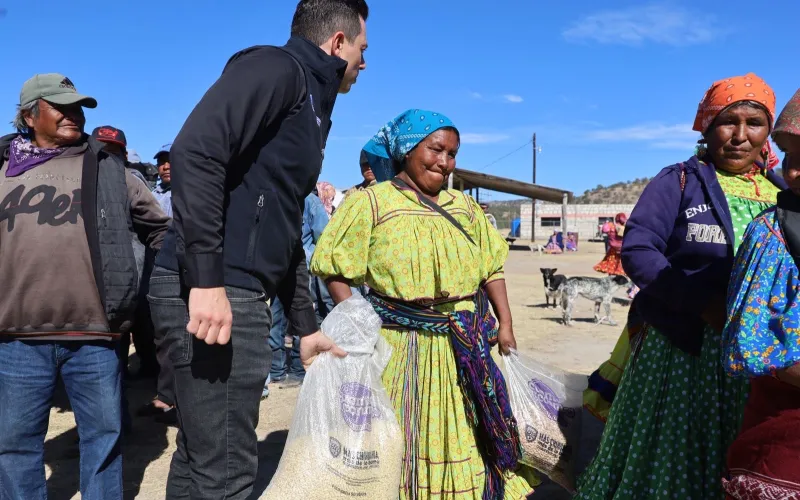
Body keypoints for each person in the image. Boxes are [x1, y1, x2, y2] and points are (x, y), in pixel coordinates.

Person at [147, 1, 369, 497]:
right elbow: (196, 150)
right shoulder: (276, 68)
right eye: (361, 48)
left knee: (203, 453)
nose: (364, 62)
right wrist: (206, 279)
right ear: (337, 43)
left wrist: (305, 328)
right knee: (225, 467)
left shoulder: (314, 105)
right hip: (216, 288)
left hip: (237, 286)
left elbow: (284, 222)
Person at [576, 73, 784, 500]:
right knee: (674, 454)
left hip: (756, 358)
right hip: (685, 350)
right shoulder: (680, 182)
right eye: (728, 121)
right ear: (706, 126)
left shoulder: (781, 192)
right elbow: (638, 249)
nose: (740, 136)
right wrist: (700, 304)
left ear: (768, 132)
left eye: (754, 123)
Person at [310, 109, 536, 499]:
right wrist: (356, 324)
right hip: (401, 350)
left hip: (465, 349)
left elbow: (491, 269)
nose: (444, 163)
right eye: (436, 150)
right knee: (404, 438)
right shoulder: (371, 204)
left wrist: (506, 323)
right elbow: (336, 270)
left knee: (467, 434)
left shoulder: (465, 208)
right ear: (407, 149)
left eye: (452, 154)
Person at [0, 73, 170, 499]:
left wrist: (164, 286)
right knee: (16, 448)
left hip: (96, 336)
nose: (73, 114)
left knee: (103, 441)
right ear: (28, 115)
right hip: (16, 339)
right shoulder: (1, 169)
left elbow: (164, 232)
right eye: (60, 106)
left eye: (77, 107)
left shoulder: (107, 168)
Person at [722, 89, 800, 499]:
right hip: (784, 433)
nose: (793, 172)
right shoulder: (771, 235)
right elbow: (753, 343)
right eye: (789, 156)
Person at [265, 189, 334, 395]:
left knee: (300, 316)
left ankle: (297, 367)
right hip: (276, 267)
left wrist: (311, 258)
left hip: (299, 268)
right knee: (276, 317)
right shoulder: (280, 194)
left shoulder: (310, 201)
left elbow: (322, 234)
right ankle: (276, 368)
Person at [151, 143, 172, 217]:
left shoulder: (191, 193)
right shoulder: (151, 196)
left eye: (171, 160)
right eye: (162, 162)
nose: (166, 167)